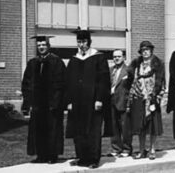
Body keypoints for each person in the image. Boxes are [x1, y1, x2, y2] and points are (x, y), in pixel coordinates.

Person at [65, 29, 111, 169]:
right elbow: (69, 82)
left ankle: (93, 159)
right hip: (77, 102)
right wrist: (69, 101)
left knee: (93, 131)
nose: (81, 44)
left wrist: (99, 99)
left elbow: (103, 81)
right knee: (79, 131)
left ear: (89, 42)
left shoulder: (99, 57)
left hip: (93, 102)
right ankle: (82, 157)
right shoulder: (74, 59)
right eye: (79, 41)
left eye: (84, 41)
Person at [21, 35, 65, 164]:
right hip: (37, 104)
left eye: (43, 45)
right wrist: (27, 102)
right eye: (39, 45)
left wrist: (56, 102)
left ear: (48, 46)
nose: (41, 47)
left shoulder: (56, 62)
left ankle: (52, 156)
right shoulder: (33, 62)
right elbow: (26, 83)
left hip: (52, 104)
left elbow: (61, 84)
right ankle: (41, 155)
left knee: (52, 129)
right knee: (38, 130)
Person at [126, 41, 164, 160]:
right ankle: (142, 150)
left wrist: (156, 95)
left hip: (152, 97)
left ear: (151, 51)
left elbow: (160, 81)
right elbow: (131, 80)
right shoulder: (137, 65)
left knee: (152, 125)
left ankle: (152, 149)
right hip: (139, 97)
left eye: (147, 50)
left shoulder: (157, 64)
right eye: (143, 50)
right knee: (140, 126)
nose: (145, 52)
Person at [108, 49, 132, 158]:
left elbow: (132, 87)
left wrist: (129, 103)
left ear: (123, 57)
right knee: (113, 126)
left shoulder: (129, 70)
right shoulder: (110, 70)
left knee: (125, 127)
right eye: (114, 57)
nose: (116, 58)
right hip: (111, 101)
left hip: (123, 101)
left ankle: (127, 149)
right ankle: (116, 148)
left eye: (118, 56)